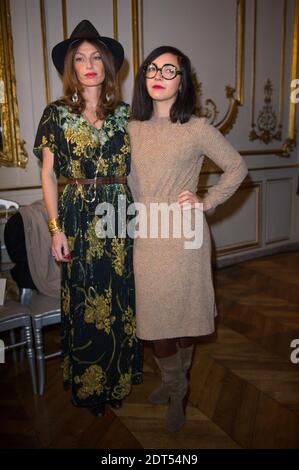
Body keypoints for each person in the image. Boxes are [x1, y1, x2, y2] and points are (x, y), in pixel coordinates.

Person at [128, 45, 248, 432]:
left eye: (169, 70)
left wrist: (206, 200)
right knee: (156, 320)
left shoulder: (196, 127)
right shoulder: (130, 128)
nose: (158, 76)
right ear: (144, 78)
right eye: (152, 69)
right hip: (148, 233)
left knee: (182, 318)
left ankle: (176, 390)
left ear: (182, 82)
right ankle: (173, 383)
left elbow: (236, 167)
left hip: (185, 236)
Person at [33, 20, 142, 417]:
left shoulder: (127, 115)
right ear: (71, 67)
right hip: (77, 212)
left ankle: (118, 379)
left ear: (107, 64)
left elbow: (144, 167)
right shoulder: (56, 114)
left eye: (96, 56)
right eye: (80, 58)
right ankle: (89, 385)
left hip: (119, 210)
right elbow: (46, 174)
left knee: (119, 296)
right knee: (84, 298)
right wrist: (54, 229)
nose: (89, 64)